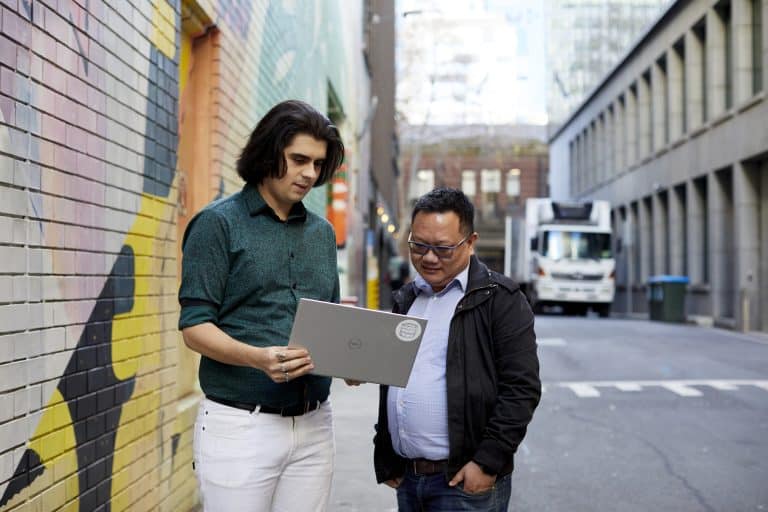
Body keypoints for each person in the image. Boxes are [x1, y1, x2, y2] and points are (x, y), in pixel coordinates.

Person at [178, 100, 344, 511]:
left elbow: (331, 319)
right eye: (299, 159)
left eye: (318, 164)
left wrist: (351, 359)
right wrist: (258, 358)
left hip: (314, 425)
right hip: (240, 426)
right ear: (269, 153)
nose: (309, 174)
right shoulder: (217, 224)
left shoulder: (323, 235)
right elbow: (195, 326)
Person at [373, 187, 541, 511]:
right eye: (418, 246)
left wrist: (487, 462)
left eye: (443, 248)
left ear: (471, 242)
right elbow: (392, 380)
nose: (429, 257)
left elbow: (522, 388)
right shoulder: (406, 299)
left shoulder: (501, 299)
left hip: (463, 484)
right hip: (409, 479)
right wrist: (386, 453)